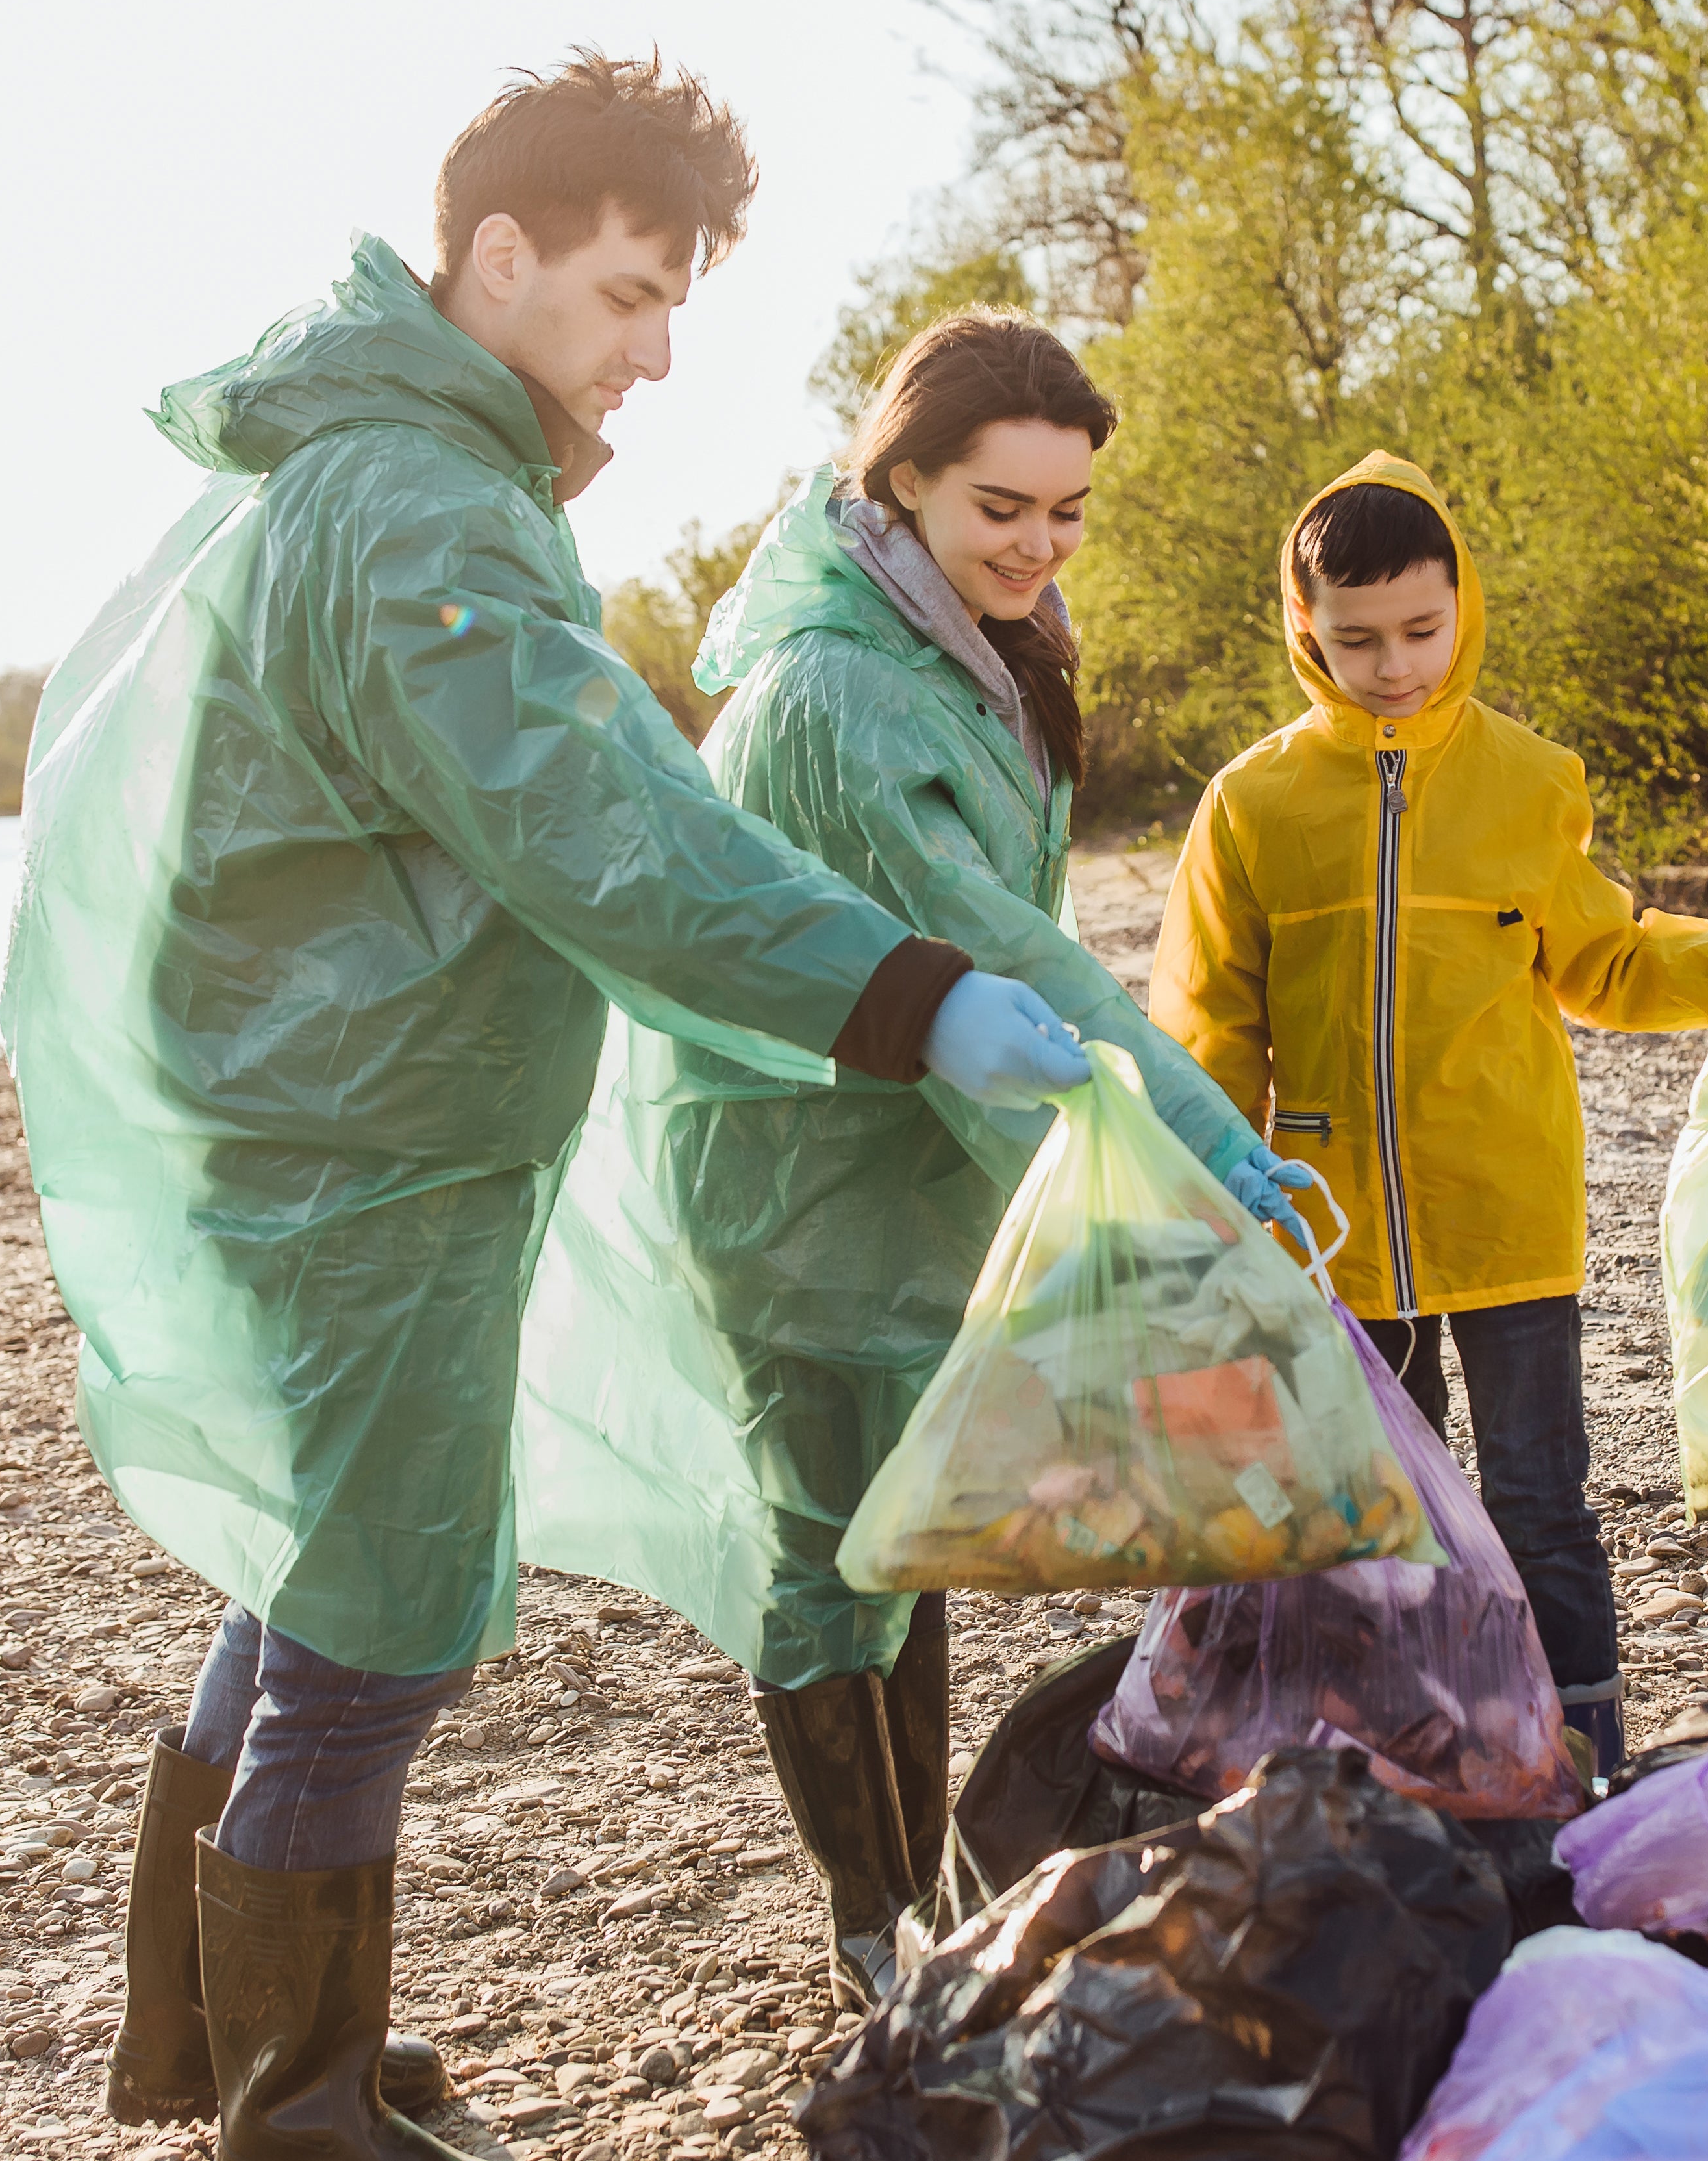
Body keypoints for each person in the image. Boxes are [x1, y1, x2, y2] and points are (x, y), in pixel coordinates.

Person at [5, 53, 1098, 2161]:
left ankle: (224, 2042)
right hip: (367, 1152)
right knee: (373, 1622)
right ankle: (302, 2130)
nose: (657, 350)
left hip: (332, 1124)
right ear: (496, 256)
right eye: (626, 292)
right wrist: (909, 994)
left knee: (300, 1571)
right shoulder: (419, 508)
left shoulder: (376, 468)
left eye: (676, 301)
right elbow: (608, 828)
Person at [516, 309, 1311, 2006]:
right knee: (833, 1546)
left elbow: (1003, 944)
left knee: (907, 1526)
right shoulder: (841, 693)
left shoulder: (966, 641)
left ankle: (920, 1900)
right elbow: (996, 945)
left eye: (1066, 510)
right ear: (901, 486)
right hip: (794, 1169)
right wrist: (1198, 1136)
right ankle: (872, 1920)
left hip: (908, 1149)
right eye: (999, 508)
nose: (1037, 544)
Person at [1151, 453, 1708, 1778]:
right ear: (1304, 626)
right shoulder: (1251, 803)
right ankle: (1415, 1765)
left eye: (1421, 630)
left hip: (1509, 1218)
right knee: (1375, 1519)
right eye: (1357, 639)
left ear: (1461, 606)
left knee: (1540, 1506)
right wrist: (1209, 1183)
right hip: (1329, 1232)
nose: (1394, 666)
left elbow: (1611, 956)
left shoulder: (1528, 778)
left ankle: (1579, 1759)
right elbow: (1209, 1023)